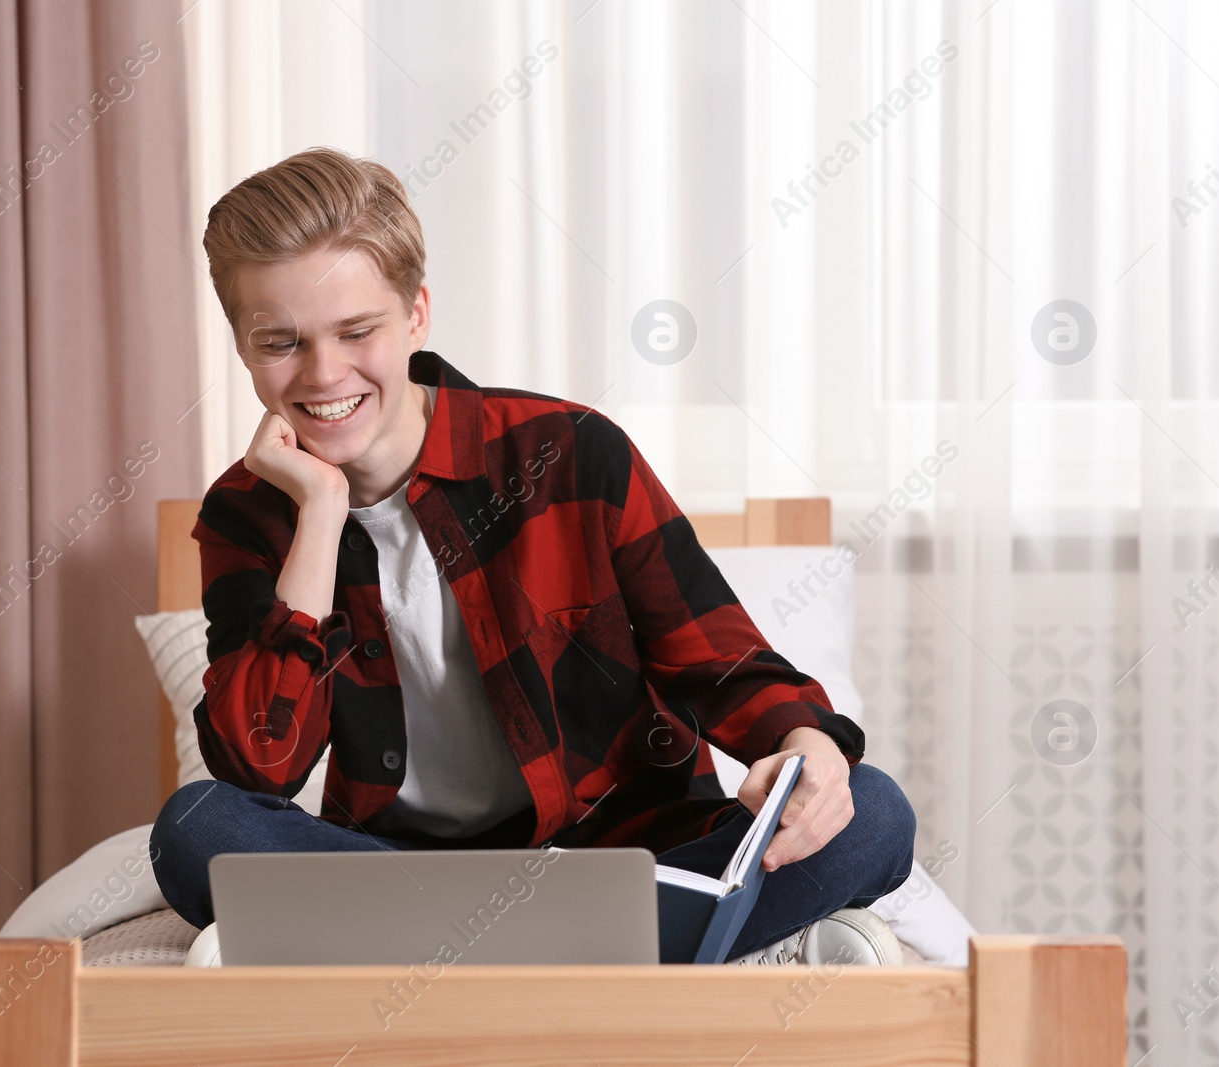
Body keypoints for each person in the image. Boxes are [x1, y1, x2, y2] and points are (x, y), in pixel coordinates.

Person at [151, 146, 915, 964]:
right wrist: (321, 511)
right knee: (200, 828)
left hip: (628, 859)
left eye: (356, 330)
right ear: (240, 344)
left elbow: (724, 665)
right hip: (403, 872)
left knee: (873, 814)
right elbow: (256, 766)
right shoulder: (246, 513)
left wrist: (808, 746)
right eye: (281, 342)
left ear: (415, 314)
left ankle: (457, 956)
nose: (323, 371)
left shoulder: (572, 452)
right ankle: (587, 954)